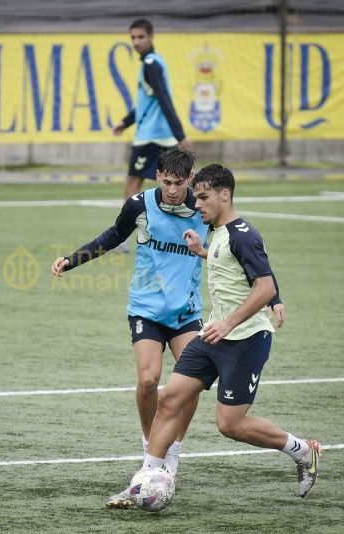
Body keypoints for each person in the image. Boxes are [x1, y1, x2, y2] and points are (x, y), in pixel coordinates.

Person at [106, 164, 318, 504]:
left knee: (229, 424)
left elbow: (264, 286)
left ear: (225, 195)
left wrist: (233, 321)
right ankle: (143, 482)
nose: (196, 203)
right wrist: (203, 253)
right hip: (212, 337)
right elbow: (230, 266)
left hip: (245, 340)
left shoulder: (243, 234)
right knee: (171, 398)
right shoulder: (216, 232)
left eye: (203, 197)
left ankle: (303, 451)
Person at [52, 147, 208, 507]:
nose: (171, 189)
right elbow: (111, 236)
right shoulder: (139, 205)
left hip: (186, 311)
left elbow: (229, 243)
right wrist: (70, 260)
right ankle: (150, 449)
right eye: (166, 182)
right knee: (149, 379)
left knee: (192, 383)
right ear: (158, 177)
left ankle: (172, 456)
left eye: (178, 183)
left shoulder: (202, 207)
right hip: (146, 308)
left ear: (189, 180)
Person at [112, 18, 192, 252]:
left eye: (140, 37)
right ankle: (181, 233)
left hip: (151, 137)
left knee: (133, 185)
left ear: (151, 36)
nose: (136, 42)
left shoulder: (150, 64)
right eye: (133, 38)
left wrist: (180, 134)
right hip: (162, 135)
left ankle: (122, 238)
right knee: (176, 186)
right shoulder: (155, 62)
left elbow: (164, 100)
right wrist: (125, 122)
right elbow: (149, 103)